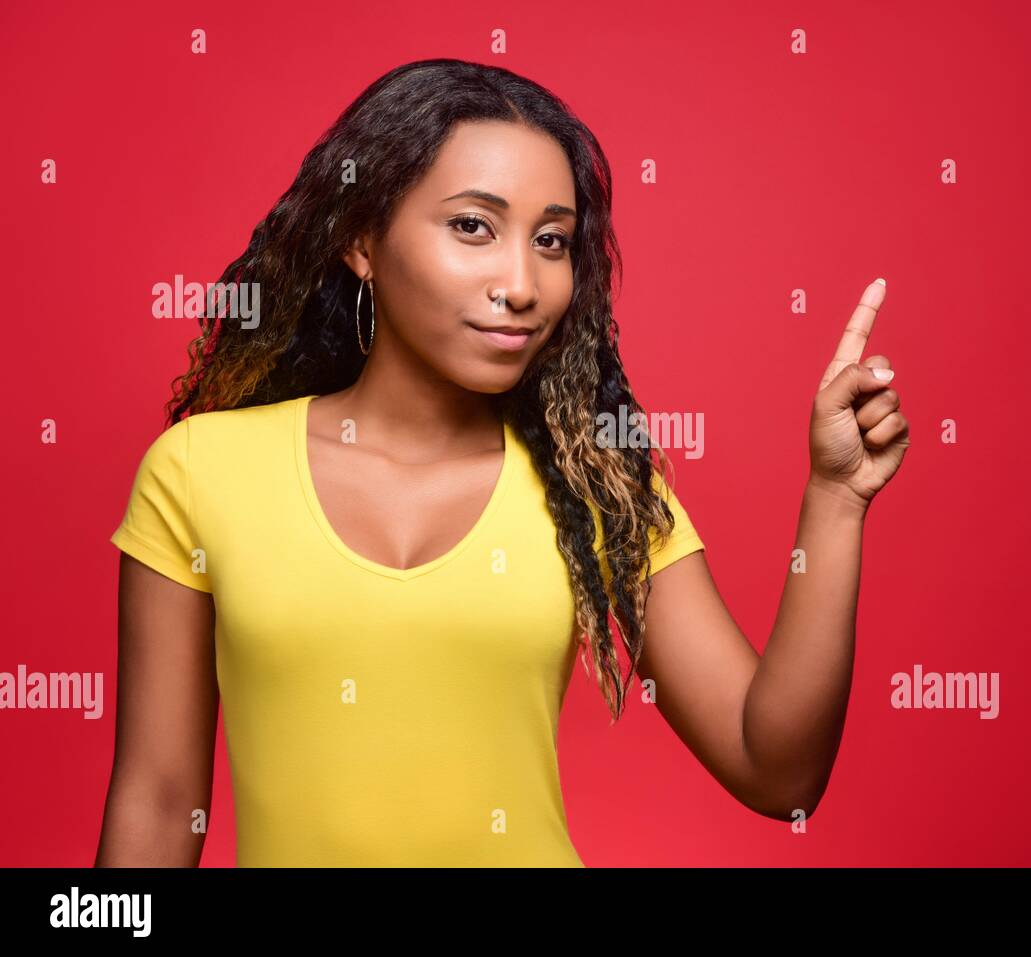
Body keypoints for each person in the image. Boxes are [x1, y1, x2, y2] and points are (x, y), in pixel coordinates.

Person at [95, 58, 909, 868]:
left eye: (550, 241)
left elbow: (778, 771)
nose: (522, 283)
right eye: (473, 227)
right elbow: (162, 804)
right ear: (361, 240)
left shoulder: (597, 489)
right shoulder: (201, 472)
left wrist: (835, 498)